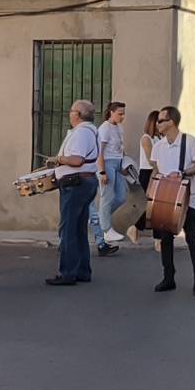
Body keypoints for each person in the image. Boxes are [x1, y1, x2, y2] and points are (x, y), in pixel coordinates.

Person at [46, 100, 106, 286]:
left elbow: (77, 160)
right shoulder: (91, 131)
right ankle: (82, 270)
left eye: (71, 110)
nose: (69, 114)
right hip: (85, 182)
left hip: (76, 184)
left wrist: (58, 159)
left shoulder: (81, 133)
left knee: (68, 229)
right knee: (79, 229)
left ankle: (68, 273)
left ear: (77, 114)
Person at [149, 106, 195, 295]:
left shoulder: (189, 142)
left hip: (188, 199)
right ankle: (168, 277)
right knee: (166, 239)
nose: (157, 124)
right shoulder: (158, 146)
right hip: (165, 200)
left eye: (161, 120)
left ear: (171, 122)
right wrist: (151, 193)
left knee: (192, 238)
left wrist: (183, 173)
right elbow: (156, 170)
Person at [94, 102, 130, 246]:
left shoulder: (119, 128)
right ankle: (106, 230)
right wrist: (102, 171)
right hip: (107, 163)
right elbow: (99, 152)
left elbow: (120, 148)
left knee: (121, 196)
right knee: (107, 197)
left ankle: (99, 218)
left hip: (118, 164)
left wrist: (124, 164)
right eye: (120, 113)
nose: (122, 116)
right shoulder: (104, 128)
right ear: (111, 112)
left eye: (123, 113)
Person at [132, 109, 161, 237]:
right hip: (148, 172)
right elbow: (151, 160)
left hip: (158, 171)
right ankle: (135, 227)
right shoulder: (146, 138)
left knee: (156, 206)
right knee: (146, 204)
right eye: (159, 122)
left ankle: (157, 235)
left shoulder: (159, 138)